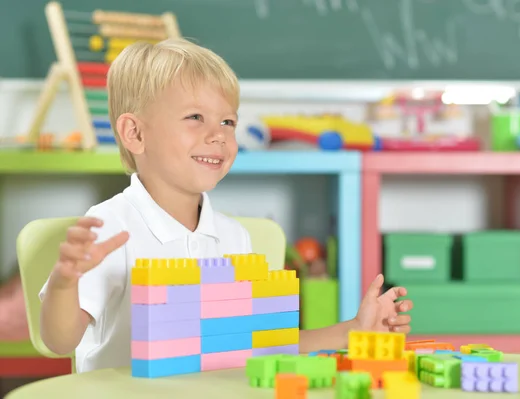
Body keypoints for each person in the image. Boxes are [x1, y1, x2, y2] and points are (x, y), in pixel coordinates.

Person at [38, 38, 413, 373]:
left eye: (228, 121)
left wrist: (353, 330)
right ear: (135, 133)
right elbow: (60, 341)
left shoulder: (234, 238)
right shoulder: (109, 227)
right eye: (195, 117)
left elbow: (258, 348)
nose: (217, 135)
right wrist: (64, 283)